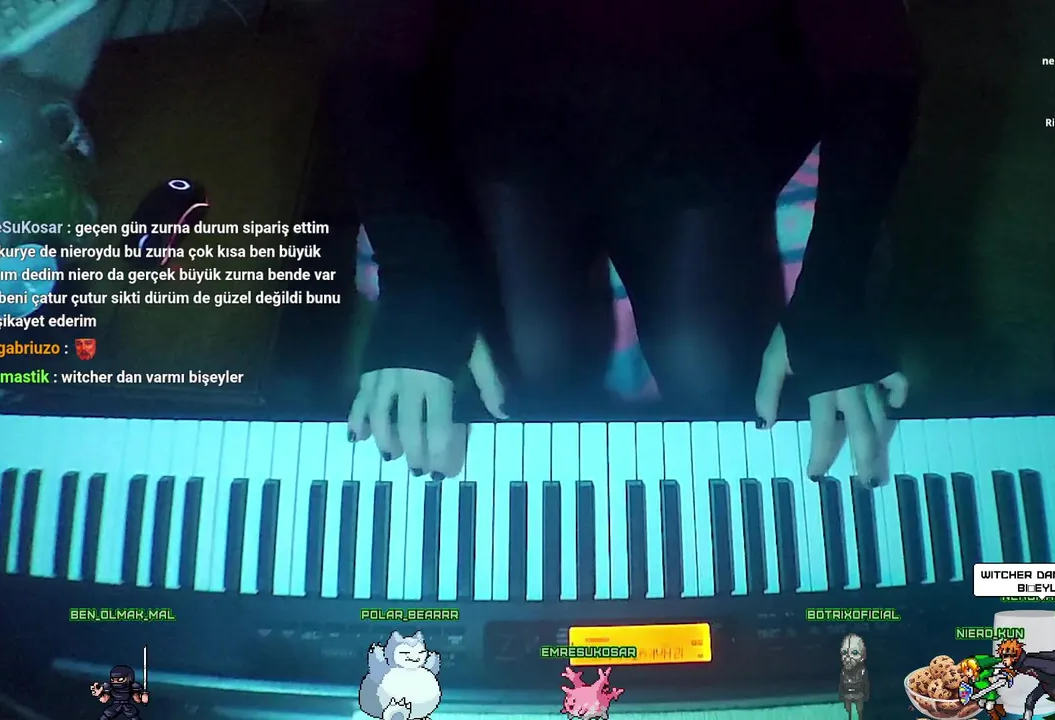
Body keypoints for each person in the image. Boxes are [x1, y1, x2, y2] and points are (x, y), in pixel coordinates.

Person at [331, 0, 920, 479]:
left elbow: (874, 60)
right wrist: (420, 281)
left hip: (708, 99)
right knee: (533, 350)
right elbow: (369, 55)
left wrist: (832, 295)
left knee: (706, 361)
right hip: (507, 97)